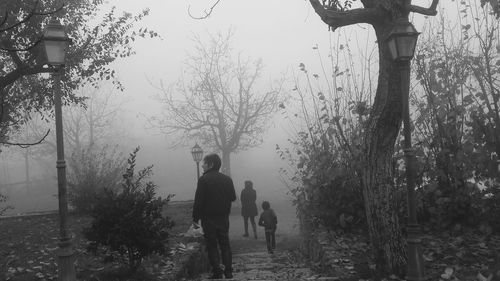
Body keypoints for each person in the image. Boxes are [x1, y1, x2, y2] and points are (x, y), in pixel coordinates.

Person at [192, 153, 236, 279]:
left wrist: (195, 218)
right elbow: (233, 197)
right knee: (225, 244)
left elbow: (198, 201)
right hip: (223, 217)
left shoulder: (203, 180)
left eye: (204, 163)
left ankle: (217, 272)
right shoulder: (227, 179)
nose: (202, 165)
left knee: (212, 245)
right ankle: (228, 272)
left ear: (211, 164)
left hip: (208, 218)